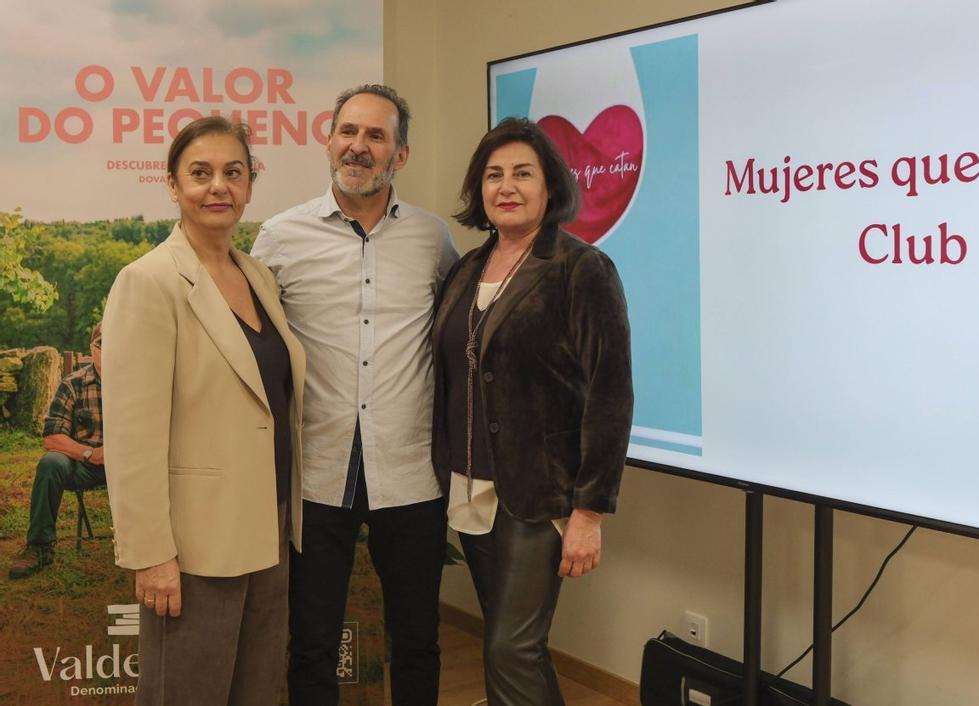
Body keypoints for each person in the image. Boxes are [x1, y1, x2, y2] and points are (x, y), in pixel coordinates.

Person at [252, 84, 457, 706]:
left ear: (401, 154)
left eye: (375, 136)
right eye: (348, 131)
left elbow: (455, 338)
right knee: (312, 643)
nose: (358, 146)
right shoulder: (280, 237)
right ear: (328, 140)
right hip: (318, 475)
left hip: (411, 475)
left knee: (417, 640)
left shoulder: (433, 239)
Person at [101, 116, 306, 705]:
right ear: (173, 185)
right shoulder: (148, 281)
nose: (218, 186)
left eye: (233, 172)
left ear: (249, 185)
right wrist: (151, 555)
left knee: (257, 693)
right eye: (201, 173)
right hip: (194, 546)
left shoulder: (258, 275)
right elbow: (132, 436)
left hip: (268, 527)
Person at [431, 117, 634, 706]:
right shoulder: (467, 269)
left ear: (550, 187)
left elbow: (611, 393)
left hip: (539, 494)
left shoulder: (580, 268)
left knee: (509, 650)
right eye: (494, 175)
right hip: (472, 486)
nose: (507, 186)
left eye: (523, 173)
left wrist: (589, 513)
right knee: (517, 644)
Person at [8, 323, 105, 579]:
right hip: (86, 465)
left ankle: (163, 546)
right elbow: (52, 438)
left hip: (132, 466)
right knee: (51, 463)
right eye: (102, 344)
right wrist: (91, 453)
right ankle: (39, 546)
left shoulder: (137, 384)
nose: (110, 350)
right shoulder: (73, 384)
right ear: (92, 349)